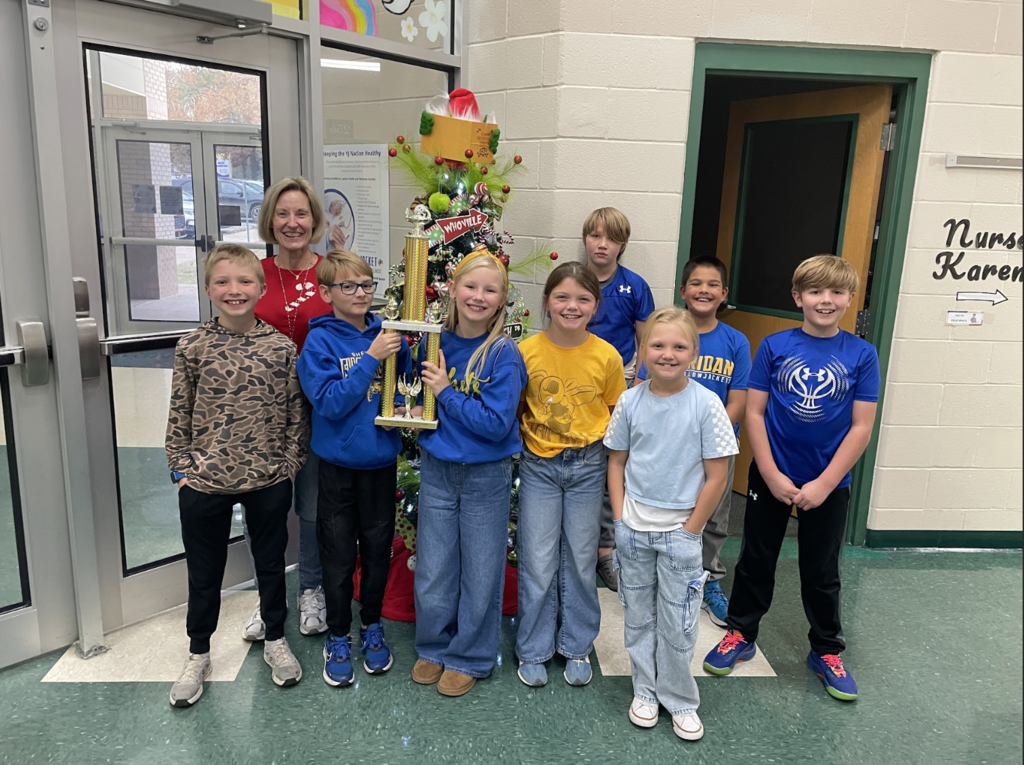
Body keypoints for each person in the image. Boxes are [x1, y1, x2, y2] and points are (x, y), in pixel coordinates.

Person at [703, 255, 879, 703]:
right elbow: (755, 412)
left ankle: (826, 649)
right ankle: (741, 634)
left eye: (836, 292)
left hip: (829, 482)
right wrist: (770, 471)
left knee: (821, 569)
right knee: (756, 559)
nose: (826, 300)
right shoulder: (774, 347)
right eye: (816, 291)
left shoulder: (862, 354)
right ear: (798, 297)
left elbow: (861, 427)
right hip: (771, 475)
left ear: (849, 298)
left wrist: (824, 483)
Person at [166, 244, 308, 708]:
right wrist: (181, 471)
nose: (234, 290)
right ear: (208, 290)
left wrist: (287, 467)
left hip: (267, 479)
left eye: (245, 282)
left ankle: (275, 640)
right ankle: (198, 652)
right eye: (223, 282)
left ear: (261, 289)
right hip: (205, 481)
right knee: (204, 574)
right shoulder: (192, 347)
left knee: (270, 565)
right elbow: (179, 413)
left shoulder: (280, 348)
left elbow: (294, 414)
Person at [606, 306, 738, 741]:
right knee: (639, 617)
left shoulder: (707, 405)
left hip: (681, 533)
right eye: (657, 345)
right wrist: (621, 519)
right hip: (635, 531)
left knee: (679, 622)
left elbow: (717, 475)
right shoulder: (630, 400)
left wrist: (691, 530)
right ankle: (645, 689)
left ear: (694, 353)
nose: (667, 354)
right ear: (642, 351)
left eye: (679, 346)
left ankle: (680, 699)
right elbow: (617, 461)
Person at [411, 247, 528, 698]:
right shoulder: (431, 341)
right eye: (471, 286)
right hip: (438, 469)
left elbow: (497, 425)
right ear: (453, 289)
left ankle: (472, 656)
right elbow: (410, 397)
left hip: (486, 476)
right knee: (435, 566)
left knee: (481, 569)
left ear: (502, 300)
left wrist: (445, 392)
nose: (478, 296)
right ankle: (434, 646)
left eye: (490, 290)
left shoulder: (502, 354)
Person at [297, 249, 410, 687]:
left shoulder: (388, 334)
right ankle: (339, 634)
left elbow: (404, 387)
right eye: (348, 286)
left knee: (378, 552)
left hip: (380, 465)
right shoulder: (320, 342)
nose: (361, 293)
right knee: (339, 555)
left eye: (367, 285)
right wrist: (370, 358)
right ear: (327, 292)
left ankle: (374, 625)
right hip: (338, 468)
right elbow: (329, 402)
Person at [516, 262, 626, 688]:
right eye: (562, 297)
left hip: (587, 465)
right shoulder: (526, 351)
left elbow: (617, 416)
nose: (571, 306)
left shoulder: (606, 356)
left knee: (581, 560)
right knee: (539, 560)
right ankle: (534, 647)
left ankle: (577, 644)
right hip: (540, 466)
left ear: (595, 306)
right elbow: (517, 407)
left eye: (582, 299)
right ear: (546, 302)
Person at [635, 256, 751, 627]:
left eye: (713, 284)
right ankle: (659, 577)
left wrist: (707, 437)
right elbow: (641, 387)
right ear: (683, 291)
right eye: (696, 283)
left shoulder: (735, 341)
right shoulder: (667, 332)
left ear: (724, 294)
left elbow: (738, 400)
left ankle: (707, 580)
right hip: (666, 447)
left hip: (715, 449)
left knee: (713, 518)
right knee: (667, 511)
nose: (704, 290)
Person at [246, 176, 333, 642]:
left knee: (312, 507)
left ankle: (312, 590)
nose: (293, 223)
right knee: (266, 508)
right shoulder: (253, 273)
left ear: (314, 220)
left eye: (301, 214)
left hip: (320, 411)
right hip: (262, 413)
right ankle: (268, 601)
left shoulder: (331, 273)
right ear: (270, 220)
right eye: (283, 214)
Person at [581, 207, 654, 592]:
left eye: (610, 238)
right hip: (578, 379)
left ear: (622, 244)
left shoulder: (634, 286)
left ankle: (605, 552)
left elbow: (646, 340)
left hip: (623, 378)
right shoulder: (576, 282)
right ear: (585, 240)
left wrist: (638, 384)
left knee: (615, 462)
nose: (602, 244)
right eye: (595, 235)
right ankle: (575, 548)